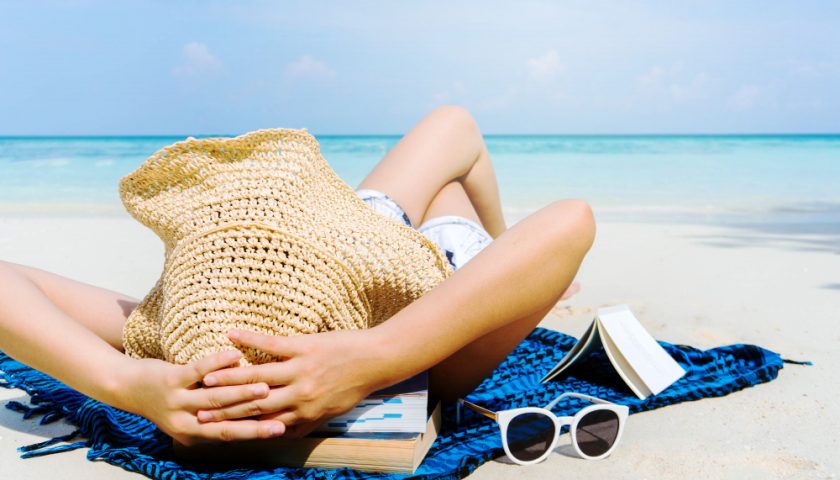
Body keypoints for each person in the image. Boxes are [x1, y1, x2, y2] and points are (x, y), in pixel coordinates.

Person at [0, 105, 594, 446]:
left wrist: (125, 381)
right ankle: (496, 242)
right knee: (454, 148)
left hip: (347, 235)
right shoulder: (426, 362)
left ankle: (494, 237)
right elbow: (572, 223)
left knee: (453, 125)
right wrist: (379, 357)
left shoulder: (186, 330)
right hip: (428, 273)